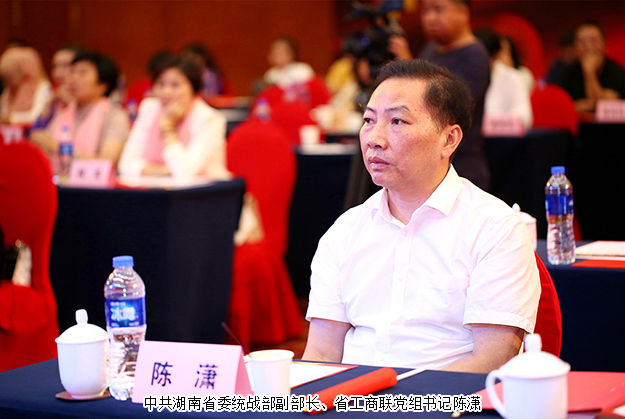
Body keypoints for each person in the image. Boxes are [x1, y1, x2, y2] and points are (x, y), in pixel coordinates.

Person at [302, 59, 540, 373]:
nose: (374, 138)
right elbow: (321, 354)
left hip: (447, 397)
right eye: (369, 120)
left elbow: (493, 360)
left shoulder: (495, 228)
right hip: (353, 396)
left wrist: (396, 395)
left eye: (397, 121)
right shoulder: (345, 231)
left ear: (449, 139)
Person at [388, 0, 491, 191]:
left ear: (463, 12)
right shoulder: (430, 49)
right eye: (426, 11)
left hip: (460, 166)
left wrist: (407, 67)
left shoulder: (474, 55)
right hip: (428, 167)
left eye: (438, 10)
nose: (430, 18)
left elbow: (450, 108)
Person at [118, 55, 230, 181]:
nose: (166, 92)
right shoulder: (149, 108)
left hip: (208, 190)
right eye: (161, 84)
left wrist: (167, 128)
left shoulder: (210, 119)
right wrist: (166, 171)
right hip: (156, 187)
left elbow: (185, 174)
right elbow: (125, 164)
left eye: (175, 85)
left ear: (193, 88)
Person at [30, 51, 129, 170]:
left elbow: (107, 162)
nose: (73, 79)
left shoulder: (114, 116)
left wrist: (60, 148)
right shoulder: (64, 112)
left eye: (82, 73)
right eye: (72, 72)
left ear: (102, 85)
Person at [555, 21, 625, 113]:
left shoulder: (616, 71)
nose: (588, 46)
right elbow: (558, 105)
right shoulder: (567, 71)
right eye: (582, 42)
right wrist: (586, 105)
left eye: (593, 41)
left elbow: (604, 106)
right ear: (575, 46)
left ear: (604, 44)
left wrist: (589, 72)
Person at [475, 29, 533, 129]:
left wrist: (486, 123)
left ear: (495, 56)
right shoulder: (463, 75)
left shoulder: (513, 78)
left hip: (502, 136)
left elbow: (524, 118)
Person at [30, 44, 83, 130]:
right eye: (55, 67)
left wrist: (70, 102)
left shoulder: (88, 99)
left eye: (65, 66)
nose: (58, 74)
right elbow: (35, 131)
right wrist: (49, 104)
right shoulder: (54, 97)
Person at [0, 46, 52, 125]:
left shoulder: (43, 87)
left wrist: (11, 118)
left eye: (11, 76)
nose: (7, 83)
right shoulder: (9, 90)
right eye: (5, 79)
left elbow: (37, 117)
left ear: (24, 72)